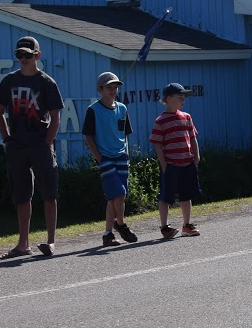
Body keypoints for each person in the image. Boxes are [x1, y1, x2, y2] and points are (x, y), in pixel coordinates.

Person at [0, 35, 63, 258]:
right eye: (19, 55)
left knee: (48, 193)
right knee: (21, 195)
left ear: (37, 56)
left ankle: (51, 242)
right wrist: (7, 138)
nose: (23, 58)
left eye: (27, 55)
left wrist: (47, 142)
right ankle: (23, 243)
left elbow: (55, 116)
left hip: (39, 144)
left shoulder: (46, 82)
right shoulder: (9, 81)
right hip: (17, 146)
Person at [83, 71, 139, 248]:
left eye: (115, 88)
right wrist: (99, 158)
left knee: (115, 198)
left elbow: (125, 133)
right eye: (109, 87)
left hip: (121, 156)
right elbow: (89, 137)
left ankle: (108, 234)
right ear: (100, 89)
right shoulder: (93, 110)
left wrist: (127, 153)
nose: (113, 91)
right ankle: (121, 224)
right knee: (119, 193)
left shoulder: (122, 108)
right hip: (105, 157)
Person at [151, 83, 202, 239]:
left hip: (187, 163)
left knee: (186, 195)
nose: (183, 100)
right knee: (166, 197)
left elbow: (193, 138)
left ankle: (187, 225)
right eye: (180, 97)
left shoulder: (186, 117)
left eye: (184, 98)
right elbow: (158, 145)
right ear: (168, 98)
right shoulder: (160, 121)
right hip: (171, 165)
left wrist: (196, 156)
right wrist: (164, 165)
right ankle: (165, 227)